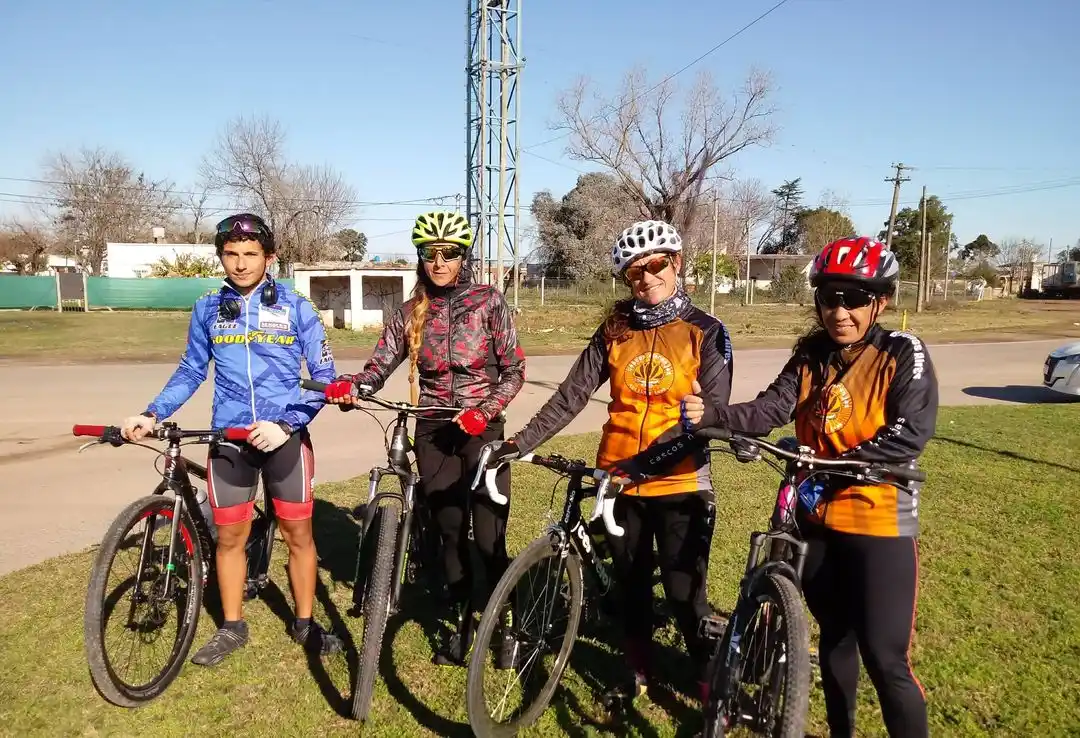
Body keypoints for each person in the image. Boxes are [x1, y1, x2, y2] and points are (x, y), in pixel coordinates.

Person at [679, 236, 938, 738]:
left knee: (885, 659)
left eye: (855, 298)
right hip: (816, 522)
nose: (840, 311)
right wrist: (714, 415)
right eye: (829, 297)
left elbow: (912, 429)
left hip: (878, 520)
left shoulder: (902, 351)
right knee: (835, 637)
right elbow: (772, 407)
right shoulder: (811, 355)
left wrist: (836, 463)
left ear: (881, 302)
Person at [483, 219, 733, 705]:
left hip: (679, 482)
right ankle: (636, 672)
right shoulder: (615, 330)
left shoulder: (706, 331)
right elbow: (571, 396)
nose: (647, 278)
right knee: (631, 587)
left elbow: (713, 416)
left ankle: (708, 687)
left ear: (676, 264)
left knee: (684, 592)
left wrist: (644, 466)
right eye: (635, 272)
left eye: (656, 266)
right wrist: (518, 442)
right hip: (616, 482)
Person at [120, 213, 343, 666]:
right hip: (228, 438)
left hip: (284, 438)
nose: (240, 264)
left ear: (269, 257)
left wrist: (286, 424)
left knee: (298, 535)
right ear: (221, 256)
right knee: (229, 538)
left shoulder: (297, 306)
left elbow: (325, 378)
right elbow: (191, 370)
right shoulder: (207, 307)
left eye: (250, 254)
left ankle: (304, 622)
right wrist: (151, 412)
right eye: (231, 254)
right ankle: (232, 625)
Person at [323, 210, 526, 667]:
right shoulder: (410, 311)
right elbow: (378, 367)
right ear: (420, 257)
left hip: (481, 428)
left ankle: (506, 626)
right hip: (433, 428)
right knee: (450, 531)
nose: (439, 262)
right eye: (430, 254)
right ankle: (464, 624)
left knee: (489, 535)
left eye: (449, 253)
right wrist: (353, 386)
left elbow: (514, 370)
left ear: (463, 257)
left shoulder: (488, 302)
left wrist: (484, 410)